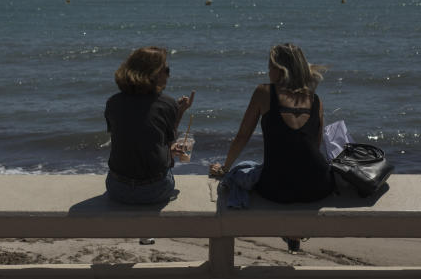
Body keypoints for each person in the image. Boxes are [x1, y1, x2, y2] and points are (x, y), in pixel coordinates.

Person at [209, 44, 333, 249]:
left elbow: (242, 137)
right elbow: (314, 145)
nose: (268, 72)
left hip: (277, 188)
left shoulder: (263, 92)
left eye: (270, 67)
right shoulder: (315, 100)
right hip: (318, 185)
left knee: (242, 171)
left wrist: (224, 169)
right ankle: (293, 235)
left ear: (280, 69)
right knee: (276, 169)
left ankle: (290, 233)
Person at [105, 46, 194, 204]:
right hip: (154, 190)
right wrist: (179, 111)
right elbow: (169, 144)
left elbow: (129, 137)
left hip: (117, 188)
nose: (168, 74)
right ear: (154, 73)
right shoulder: (167, 103)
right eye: (166, 69)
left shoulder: (113, 102)